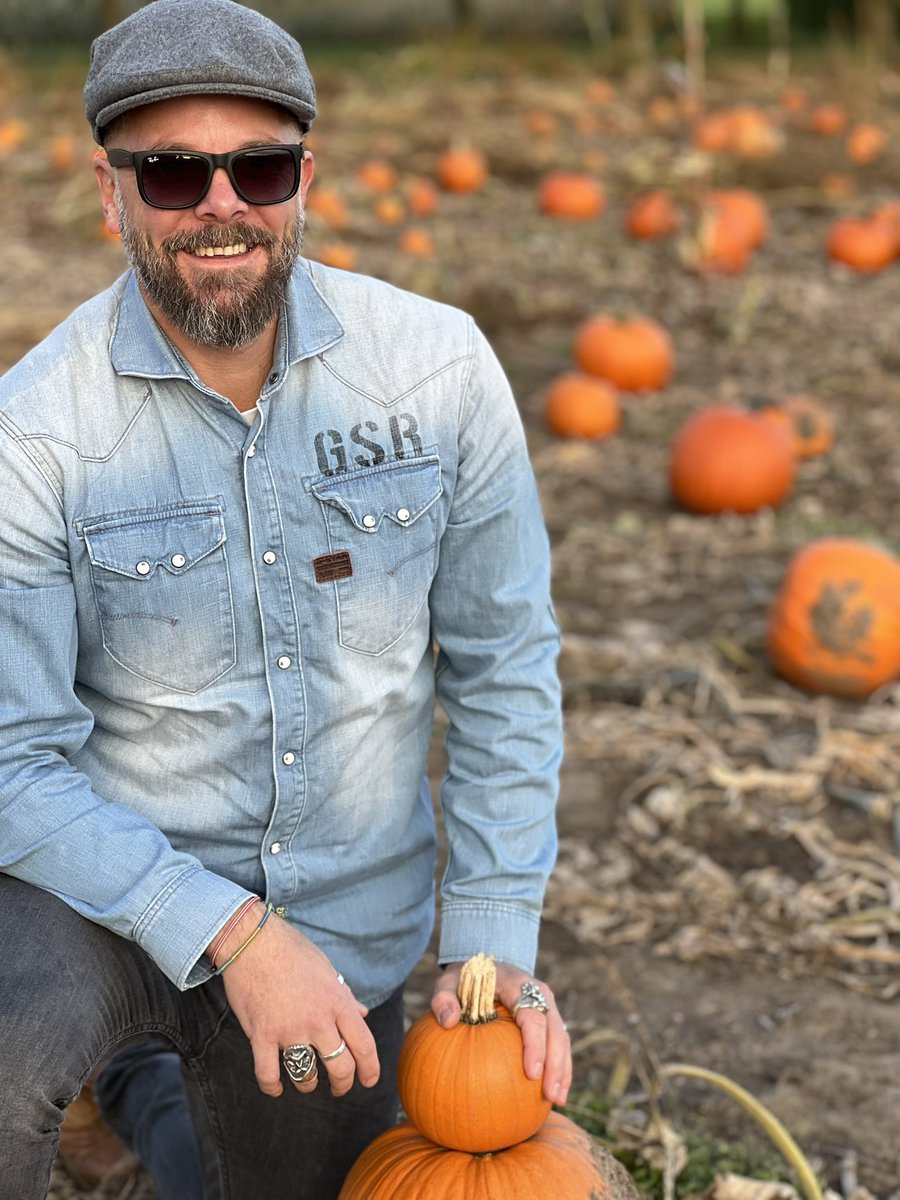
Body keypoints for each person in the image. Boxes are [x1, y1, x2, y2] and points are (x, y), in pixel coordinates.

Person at [0, 1, 569, 1196]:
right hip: (112, 906)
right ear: (112, 195)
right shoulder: (37, 432)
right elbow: (11, 760)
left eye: (255, 166)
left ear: (301, 180)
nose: (220, 205)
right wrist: (237, 935)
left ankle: (132, 1096)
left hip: (349, 941)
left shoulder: (439, 370)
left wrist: (491, 941)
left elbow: (503, 661)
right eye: (170, 174)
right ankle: (105, 1061)